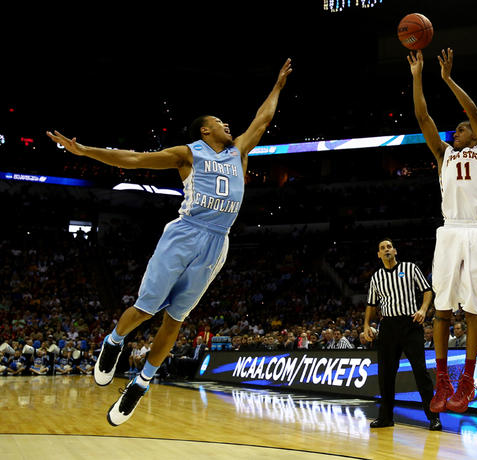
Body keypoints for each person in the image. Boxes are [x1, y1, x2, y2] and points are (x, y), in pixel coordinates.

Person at [46, 58, 292, 426]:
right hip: (185, 233)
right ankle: (114, 341)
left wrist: (277, 86)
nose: (227, 125)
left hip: (217, 243)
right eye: (219, 122)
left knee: (175, 320)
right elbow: (133, 159)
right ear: (205, 131)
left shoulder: (239, 150)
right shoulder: (188, 153)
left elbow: (264, 119)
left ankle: (140, 384)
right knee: (147, 309)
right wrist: (85, 152)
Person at [408, 48, 477, 413]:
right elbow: (422, 115)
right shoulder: (444, 154)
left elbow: (473, 113)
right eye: (456, 129)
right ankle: (442, 380)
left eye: (460, 129)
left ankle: (467, 380)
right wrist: (418, 76)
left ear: (474, 136)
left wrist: (447, 79)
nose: (455, 131)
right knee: (442, 311)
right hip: (449, 232)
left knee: (472, 311)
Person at [364, 238, 441, 431]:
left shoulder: (410, 268)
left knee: (420, 371)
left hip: (410, 323)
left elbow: (427, 291)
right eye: (382, 248)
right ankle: (386, 417)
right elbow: (371, 305)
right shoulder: (376, 277)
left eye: (389, 247)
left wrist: (423, 309)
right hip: (388, 327)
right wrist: (366, 324)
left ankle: (433, 417)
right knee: (385, 374)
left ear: (395, 251)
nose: (386, 249)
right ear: (379, 255)